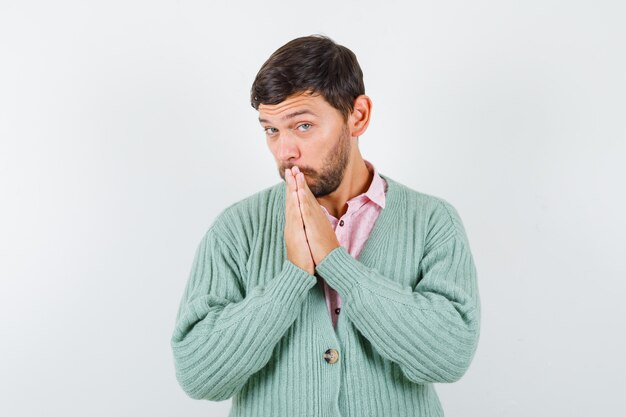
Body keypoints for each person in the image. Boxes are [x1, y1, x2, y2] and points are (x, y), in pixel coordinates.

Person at [171, 34, 481, 416]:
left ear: (358, 116)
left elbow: (448, 357)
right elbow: (198, 374)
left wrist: (336, 262)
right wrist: (292, 277)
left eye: (302, 126)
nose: (286, 151)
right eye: (271, 129)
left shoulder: (433, 221)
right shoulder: (237, 228)